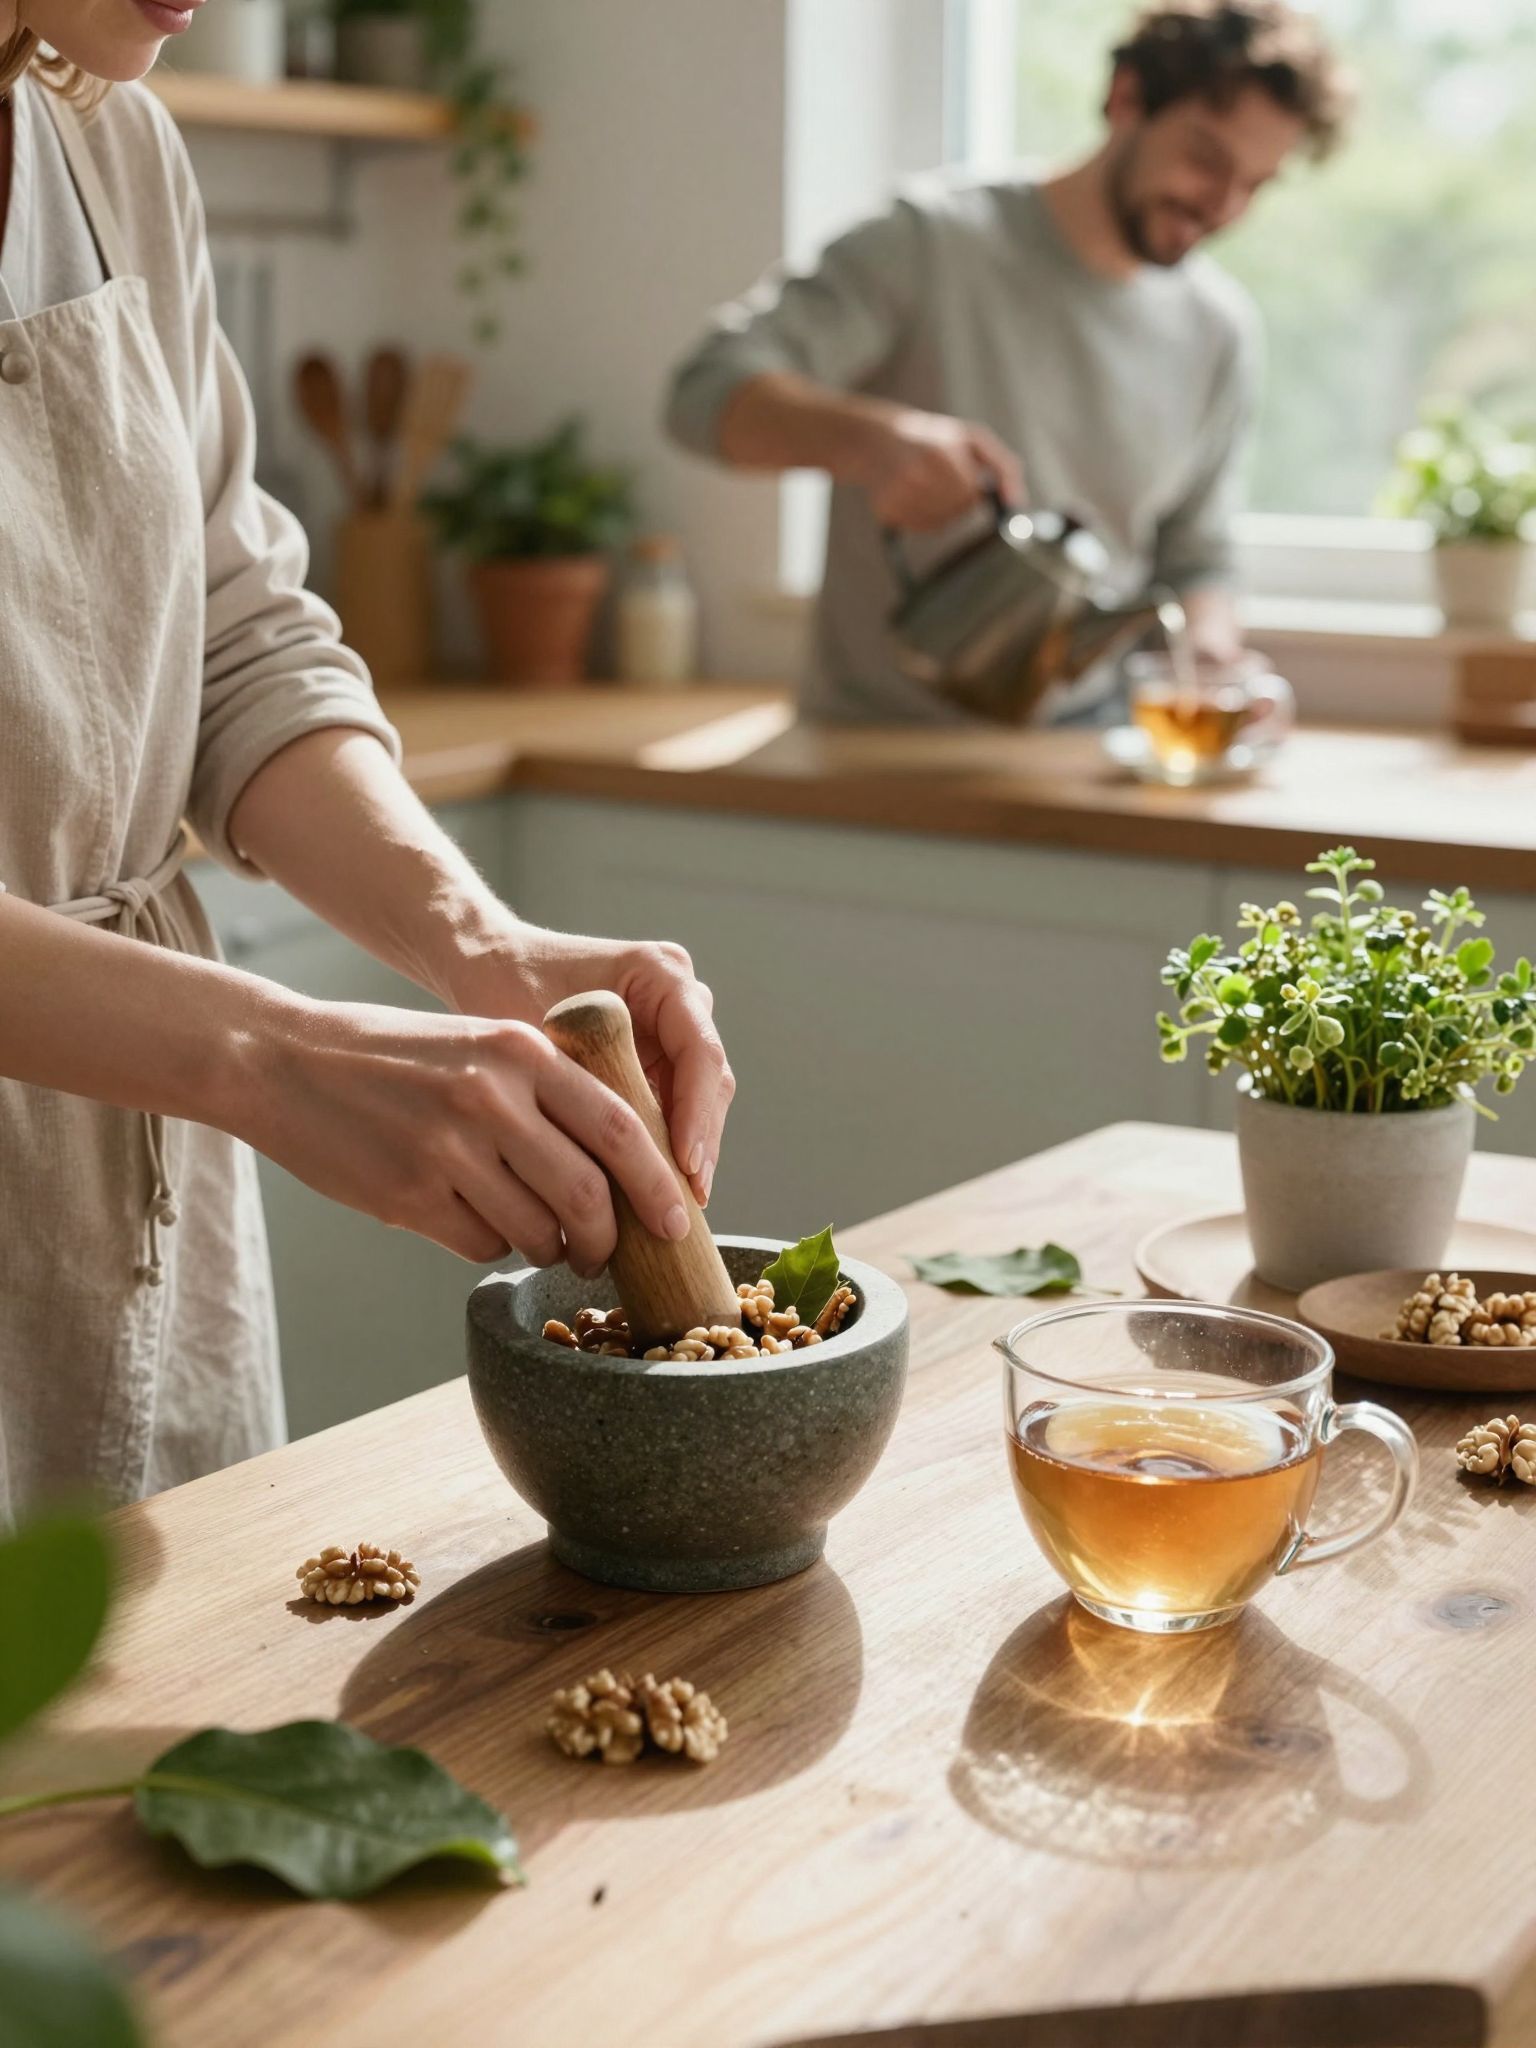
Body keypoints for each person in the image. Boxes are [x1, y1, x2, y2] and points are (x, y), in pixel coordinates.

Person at [0, 1, 734, 1521]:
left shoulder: (110, 142)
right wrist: (267, 1055)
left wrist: (488, 948)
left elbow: (232, 641)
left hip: (127, 1198)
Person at [667, 1, 1352, 726]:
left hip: (1083, 757)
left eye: (1255, 185)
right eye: (1207, 158)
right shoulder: (932, 243)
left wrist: (1209, 657)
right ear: (1126, 98)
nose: (1223, 204)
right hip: (873, 757)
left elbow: (1196, 557)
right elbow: (702, 392)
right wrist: (871, 441)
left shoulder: (1220, 331)